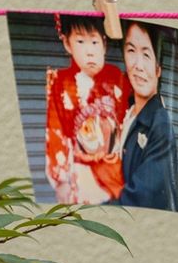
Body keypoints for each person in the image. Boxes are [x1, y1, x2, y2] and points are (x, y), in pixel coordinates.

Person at [45, 14, 125, 204]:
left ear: (104, 44)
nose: (90, 52)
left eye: (95, 42)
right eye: (80, 41)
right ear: (67, 44)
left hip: (116, 171)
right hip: (80, 171)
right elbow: (55, 132)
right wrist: (61, 180)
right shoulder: (59, 82)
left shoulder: (117, 78)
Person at [118, 20, 178, 213]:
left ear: (158, 69)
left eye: (146, 54)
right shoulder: (126, 112)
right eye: (131, 51)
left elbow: (136, 199)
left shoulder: (160, 126)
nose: (138, 65)